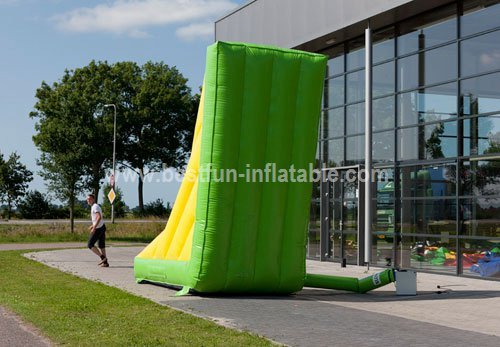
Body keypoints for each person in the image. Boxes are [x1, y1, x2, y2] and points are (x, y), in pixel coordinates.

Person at [86, 194, 109, 267]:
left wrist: (94, 227)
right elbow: (97, 219)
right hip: (102, 227)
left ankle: (103, 258)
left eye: (89, 199)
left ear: (93, 199)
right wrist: (92, 225)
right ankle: (105, 263)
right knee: (101, 245)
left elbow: (99, 217)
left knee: (90, 244)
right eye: (87, 199)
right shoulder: (94, 206)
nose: (88, 200)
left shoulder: (95, 206)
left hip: (98, 229)